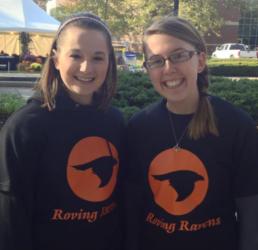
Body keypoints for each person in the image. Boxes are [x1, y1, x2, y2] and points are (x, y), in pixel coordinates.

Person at [125, 16, 258, 250]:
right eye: (156, 61)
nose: (168, 69)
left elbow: (250, 209)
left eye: (179, 55)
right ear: (148, 70)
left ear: (200, 61)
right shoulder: (139, 127)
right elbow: (133, 206)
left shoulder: (236, 125)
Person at [0, 12, 125, 250]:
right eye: (75, 55)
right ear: (56, 60)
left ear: (110, 62)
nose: (86, 67)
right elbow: (10, 217)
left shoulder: (115, 121)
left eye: (98, 57)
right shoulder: (25, 127)